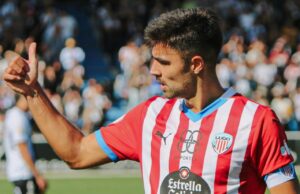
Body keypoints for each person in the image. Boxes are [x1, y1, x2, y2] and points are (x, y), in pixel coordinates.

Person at [3, 7, 300, 194]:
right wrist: (32, 92)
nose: (153, 70)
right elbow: (76, 153)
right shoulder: (150, 116)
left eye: (163, 62)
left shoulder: (256, 121)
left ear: (196, 64)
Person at [3, 95, 47, 194]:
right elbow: (22, 147)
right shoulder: (17, 117)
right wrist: (37, 174)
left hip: (20, 170)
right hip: (22, 171)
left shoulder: (16, 114)